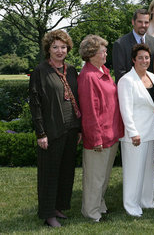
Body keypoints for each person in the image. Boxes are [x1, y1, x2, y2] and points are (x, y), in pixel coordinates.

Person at [29, 30, 81, 227]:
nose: (60, 51)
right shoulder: (40, 71)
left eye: (63, 47)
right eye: (55, 47)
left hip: (71, 128)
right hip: (51, 130)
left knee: (66, 171)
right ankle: (47, 213)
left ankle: (59, 206)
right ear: (48, 49)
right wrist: (40, 133)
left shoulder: (72, 70)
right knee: (49, 172)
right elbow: (35, 104)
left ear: (68, 49)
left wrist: (80, 129)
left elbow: (79, 99)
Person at [77, 35, 124, 222]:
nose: (106, 53)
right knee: (94, 178)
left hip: (110, 134)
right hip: (99, 136)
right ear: (91, 54)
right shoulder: (88, 76)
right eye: (102, 50)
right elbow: (89, 111)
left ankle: (100, 205)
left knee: (103, 176)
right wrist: (95, 138)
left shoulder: (103, 70)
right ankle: (91, 212)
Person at [118, 44, 154, 217]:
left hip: (151, 130)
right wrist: (132, 132)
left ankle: (146, 200)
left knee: (148, 169)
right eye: (141, 58)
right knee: (134, 171)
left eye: (147, 57)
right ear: (133, 60)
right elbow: (125, 109)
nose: (144, 60)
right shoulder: (127, 80)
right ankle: (131, 205)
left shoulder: (151, 76)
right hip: (135, 133)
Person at [113, 8, 154, 82]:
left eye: (146, 22)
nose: (143, 25)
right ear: (133, 22)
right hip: (130, 88)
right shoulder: (120, 44)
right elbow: (120, 73)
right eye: (140, 22)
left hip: (151, 87)